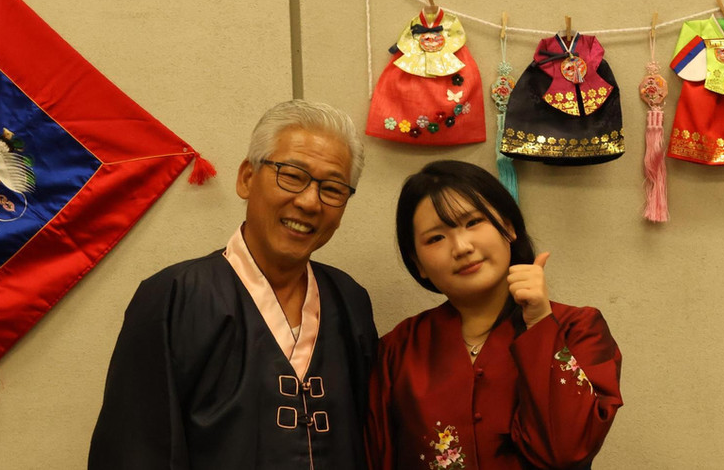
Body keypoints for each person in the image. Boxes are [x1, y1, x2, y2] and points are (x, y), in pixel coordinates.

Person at [89, 100, 378, 469]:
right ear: (246, 178)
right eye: (292, 175)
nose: (309, 202)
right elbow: (135, 447)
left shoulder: (349, 301)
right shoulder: (174, 296)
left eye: (333, 188)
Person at [365, 160, 623, 469]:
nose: (461, 247)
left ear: (508, 226)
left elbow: (568, 451)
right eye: (436, 238)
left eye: (472, 222)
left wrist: (540, 322)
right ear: (418, 262)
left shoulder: (577, 329)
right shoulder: (399, 349)